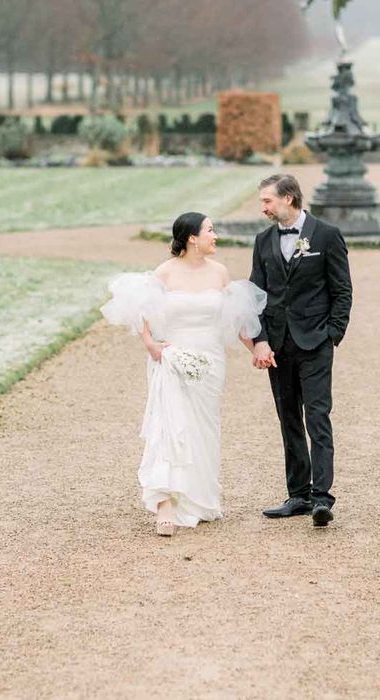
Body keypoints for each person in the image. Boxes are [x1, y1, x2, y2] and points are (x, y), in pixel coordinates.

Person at [101, 212, 266, 537]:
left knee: (202, 431)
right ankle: (165, 504)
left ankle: (198, 499)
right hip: (172, 357)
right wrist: (151, 344)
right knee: (170, 427)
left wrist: (258, 350)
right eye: (210, 230)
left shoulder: (219, 273)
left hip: (210, 362)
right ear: (192, 237)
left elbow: (236, 320)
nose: (215, 235)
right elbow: (141, 306)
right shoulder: (165, 271)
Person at [250, 174, 352, 527]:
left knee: (318, 418)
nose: (263, 207)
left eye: (267, 201)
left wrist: (332, 335)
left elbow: (342, 291)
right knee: (288, 418)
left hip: (315, 342)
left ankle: (322, 498)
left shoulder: (326, 235)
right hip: (278, 344)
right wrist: (260, 339)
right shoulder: (263, 241)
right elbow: (256, 296)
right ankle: (298, 495)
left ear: (289, 198)